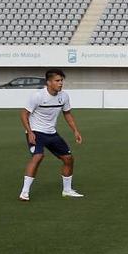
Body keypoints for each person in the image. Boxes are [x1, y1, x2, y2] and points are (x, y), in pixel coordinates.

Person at [18, 68, 83, 201]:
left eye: (61, 81)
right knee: (38, 156)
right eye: (57, 81)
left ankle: (67, 190)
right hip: (36, 132)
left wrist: (75, 130)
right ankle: (24, 193)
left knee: (68, 159)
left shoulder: (64, 96)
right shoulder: (38, 96)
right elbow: (24, 114)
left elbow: (67, 114)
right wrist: (29, 132)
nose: (60, 83)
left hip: (51, 133)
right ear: (48, 82)